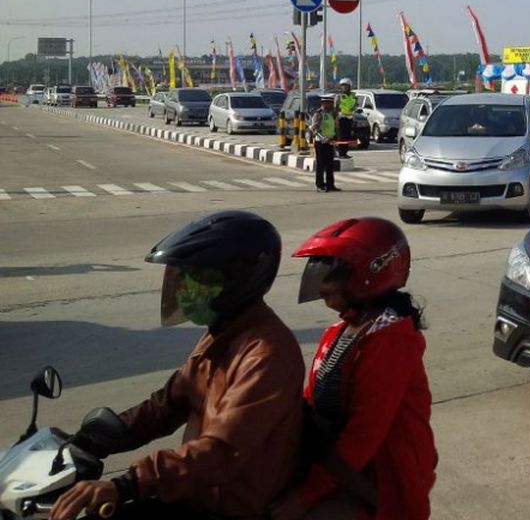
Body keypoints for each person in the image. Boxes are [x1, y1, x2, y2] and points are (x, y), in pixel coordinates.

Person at [50, 212, 305, 520]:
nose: (183, 289)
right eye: (180, 277)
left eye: (195, 278)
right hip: (197, 492)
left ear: (237, 281)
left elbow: (222, 451)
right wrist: (94, 438)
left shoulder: (266, 355)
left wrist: (128, 483)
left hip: (228, 508)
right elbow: (167, 404)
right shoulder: (221, 334)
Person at [273, 218, 437, 520]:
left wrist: (304, 495)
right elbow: (312, 404)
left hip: (382, 483)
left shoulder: (390, 341)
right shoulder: (344, 329)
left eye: (331, 274)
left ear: (369, 274)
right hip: (345, 471)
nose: (322, 285)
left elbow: (362, 436)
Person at [310, 94, 341, 193]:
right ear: (324, 103)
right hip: (321, 143)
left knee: (330, 164)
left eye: (332, 103)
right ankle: (320, 185)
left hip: (330, 142)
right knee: (321, 164)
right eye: (330, 103)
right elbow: (314, 129)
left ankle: (330, 185)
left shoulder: (332, 114)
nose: (332, 105)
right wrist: (323, 138)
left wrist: (335, 139)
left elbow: (334, 128)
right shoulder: (319, 114)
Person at [336, 78, 357, 159]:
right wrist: (336, 118)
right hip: (341, 118)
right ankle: (341, 153)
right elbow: (336, 108)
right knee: (341, 136)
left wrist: (354, 109)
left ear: (350, 87)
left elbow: (355, 105)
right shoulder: (339, 96)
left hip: (349, 118)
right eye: (342, 86)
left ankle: (345, 152)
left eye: (346, 86)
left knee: (347, 136)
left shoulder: (353, 96)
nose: (344, 87)